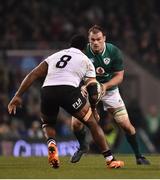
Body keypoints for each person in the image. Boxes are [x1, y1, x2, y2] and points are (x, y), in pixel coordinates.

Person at [8, 34, 124, 169]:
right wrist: (93, 109)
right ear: (85, 48)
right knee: (92, 123)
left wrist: (18, 95)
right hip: (68, 91)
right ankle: (110, 159)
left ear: (71, 45)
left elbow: (33, 74)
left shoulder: (55, 56)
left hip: (47, 91)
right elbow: (92, 90)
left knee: (47, 123)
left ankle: (51, 144)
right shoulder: (86, 61)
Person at [71, 25, 150, 165]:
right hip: (88, 90)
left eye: (99, 39)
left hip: (110, 91)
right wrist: (81, 86)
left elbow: (119, 76)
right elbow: (74, 73)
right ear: (89, 40)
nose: (95, 42)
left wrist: (105, 86)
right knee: (76, 123)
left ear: (104, 39)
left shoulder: (113, 51)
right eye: (92, 40)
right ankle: (83, 146)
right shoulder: (82, 52)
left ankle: (139, 156)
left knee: (126, 125)